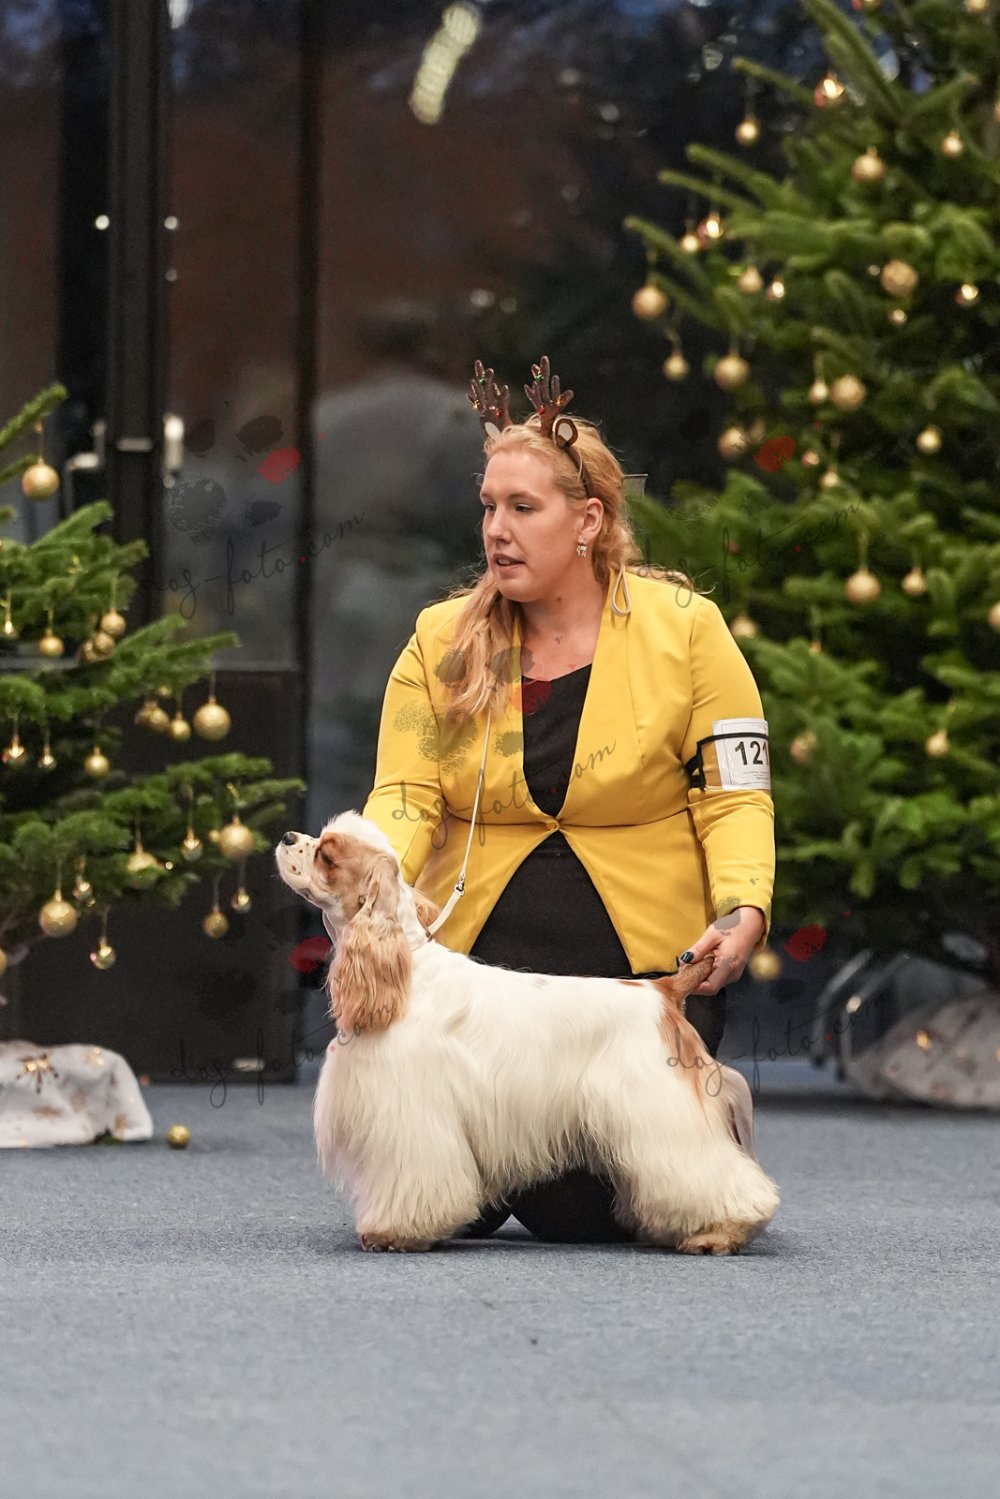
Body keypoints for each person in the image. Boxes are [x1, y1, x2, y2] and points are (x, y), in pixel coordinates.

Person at [361, 357, 775, 1244]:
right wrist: (371, 884)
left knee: (584, 1221)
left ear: (588, 520)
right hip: (479, 972)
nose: (496, 531)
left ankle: (702, 1094)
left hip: (640, 975)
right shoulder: (439, 639)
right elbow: (405, 793)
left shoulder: (688, 630)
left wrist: (744, 908)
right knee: (449, 1210)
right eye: (488, 507)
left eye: (523, 508)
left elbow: (736, 795)